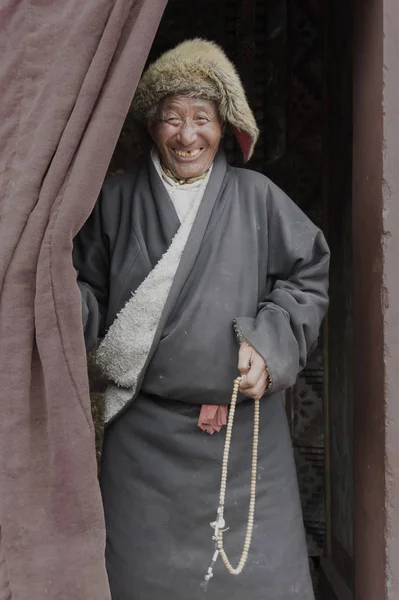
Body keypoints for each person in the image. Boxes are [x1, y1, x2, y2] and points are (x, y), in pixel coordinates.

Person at [73, 39, 330, 600]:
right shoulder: (114, 202)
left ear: (225, 126)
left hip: (244, 444)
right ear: (151, 127)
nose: (187, 136)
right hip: (143, 442)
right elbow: (80, 294)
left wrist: (270, 343)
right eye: (172, 119)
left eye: (202, 119)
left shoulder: (256, 197)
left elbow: (306, 275)